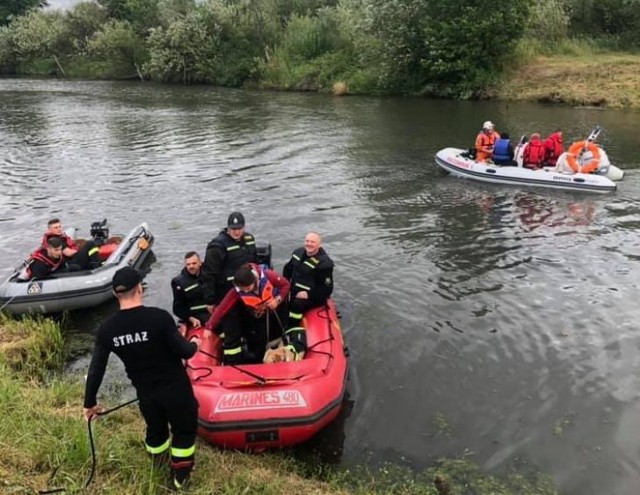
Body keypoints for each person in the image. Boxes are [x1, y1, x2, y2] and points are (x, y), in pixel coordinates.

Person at [83, 267, 201, 491]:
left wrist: (89, 403)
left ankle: (159, 467)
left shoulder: (107, 330)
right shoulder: (159, 318)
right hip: (176, 389)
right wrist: (196, 344)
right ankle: (180, 480)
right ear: (140, 288)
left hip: (146, 393)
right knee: (184, 432)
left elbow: (97, 367)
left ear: (116, 294)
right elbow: (185, 351)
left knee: (156, 431)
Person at [205, 263, 290, 364]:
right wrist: (209, 327)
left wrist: (277, 300)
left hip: (276, 310)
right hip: (257, 316)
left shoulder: (268, 276)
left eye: (248, 288)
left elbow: (285, 285)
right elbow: (222, 308)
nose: (245, 291)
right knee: (258, 347)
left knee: (280, 334)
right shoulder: (236, 292)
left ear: (254, 281)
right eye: (242, 289)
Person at [201, 212, 258, 312]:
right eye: (233, 229)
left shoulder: (249, 239)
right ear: (228, 228)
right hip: (227, 292)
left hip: (248, 289)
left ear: (244, 227)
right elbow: (209, 274)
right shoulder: (217, 245)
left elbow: (255, 263)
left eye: (239, 229)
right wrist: (210, 300)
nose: (237, 232)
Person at [282, 232, 334, 330]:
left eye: (312, 242)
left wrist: (308, 294)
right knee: (281, 302)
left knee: (297, 305)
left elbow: (327, 289)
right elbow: (287, 270)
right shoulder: (298, 253)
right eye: (307, 241)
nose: (309, 244)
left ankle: (291, 328)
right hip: (294, 291)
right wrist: (286, 287)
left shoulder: (324, 264)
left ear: (319, 245)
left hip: (312, 297)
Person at [171, 251, 209, 329]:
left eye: (194, 263)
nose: (191, 266)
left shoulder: (210, 275)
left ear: (200, 263)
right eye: (188, 264)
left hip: (212, 312)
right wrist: (190, 318)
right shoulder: (179, 282)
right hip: (195, 315)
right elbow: (178, 307)